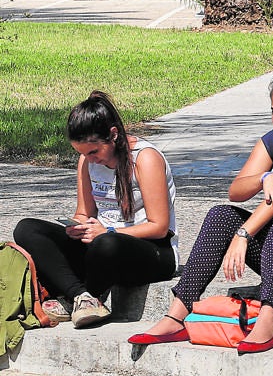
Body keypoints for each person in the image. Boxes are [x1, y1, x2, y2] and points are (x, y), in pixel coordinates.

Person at [128, 72, 273, 354]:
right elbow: (236, 191)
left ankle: (267, 320)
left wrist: (243, 235)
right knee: (221, 215)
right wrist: (264, 178)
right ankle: (176, 314)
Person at [13, 92, 178, 329]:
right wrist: (77, 226)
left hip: (151, 251)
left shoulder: (145, 158)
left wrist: (108, 231)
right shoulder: (86, 162)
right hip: (100, 245)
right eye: (82, 153)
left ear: (113, 135)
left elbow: (159, 227)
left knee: (107, 244)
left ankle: (76, 298)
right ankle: (82, 297)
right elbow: (84, 212)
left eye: (93, 152)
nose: (89, 159)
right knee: (27, 229)